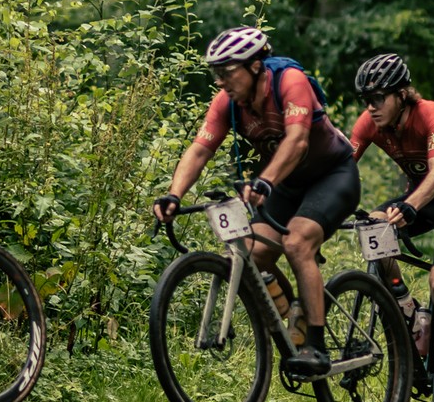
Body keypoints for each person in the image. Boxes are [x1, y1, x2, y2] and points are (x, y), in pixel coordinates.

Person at [153, 28, 360, 380]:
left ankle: (317, 346)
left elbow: (296, 141)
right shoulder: (228, 102)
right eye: (215, 73)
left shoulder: (290, 81)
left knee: (297, 243)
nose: (220, 81)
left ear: (254, 66)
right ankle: (295, 307)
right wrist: (174, 194)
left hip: (332, 176)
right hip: (286, 183)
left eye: (227, 71)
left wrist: (265, 181)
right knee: (250, 253)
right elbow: (201, 148)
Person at [347, 52, 434, 402]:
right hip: (419, 198)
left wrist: (410, 207)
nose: (371, 108)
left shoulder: (428, 113)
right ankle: (407, 308)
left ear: (401, 94)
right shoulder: (368, 123)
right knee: (373, 225)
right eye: (366, 101)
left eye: (378, 99)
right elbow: (340, 169)